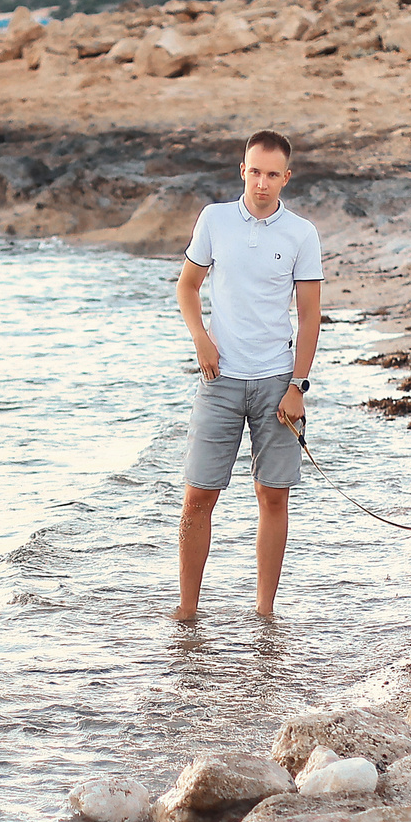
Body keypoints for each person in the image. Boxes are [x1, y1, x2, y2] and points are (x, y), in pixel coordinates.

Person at [171, 131, 322, 622]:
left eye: (272, 174)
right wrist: (200, 338)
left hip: (277, 380)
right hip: (220, 378)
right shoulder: (215, 220)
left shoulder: (301, 233)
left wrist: (298, 386)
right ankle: (187, 614)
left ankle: (264, 613)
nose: (262, 182)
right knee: (198, 495)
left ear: (286, 178)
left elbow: (310, 316)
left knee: (272, 496)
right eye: (254, 171)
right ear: (242, 170)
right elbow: (188, 286)